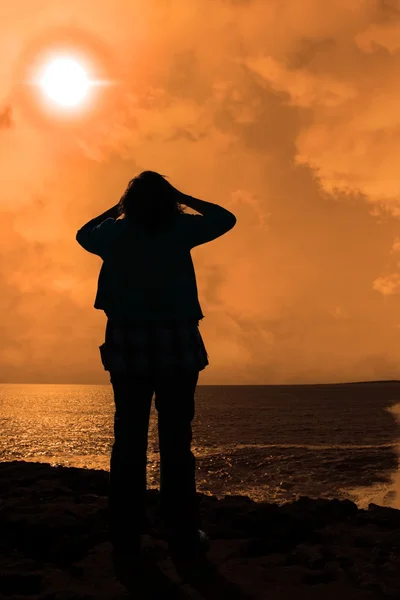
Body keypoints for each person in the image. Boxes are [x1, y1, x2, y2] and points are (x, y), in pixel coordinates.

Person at [76, 171, 237, 574]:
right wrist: (182, 195)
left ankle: (126, 536)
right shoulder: (180, 228)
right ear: (169, 201)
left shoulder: (113, 233)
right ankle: (181, 533)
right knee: (177, 442)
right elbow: (225, 218)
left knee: (128, 442)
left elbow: (83, 233)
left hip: (128, 346)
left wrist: (118, 209)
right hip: (176, 344)